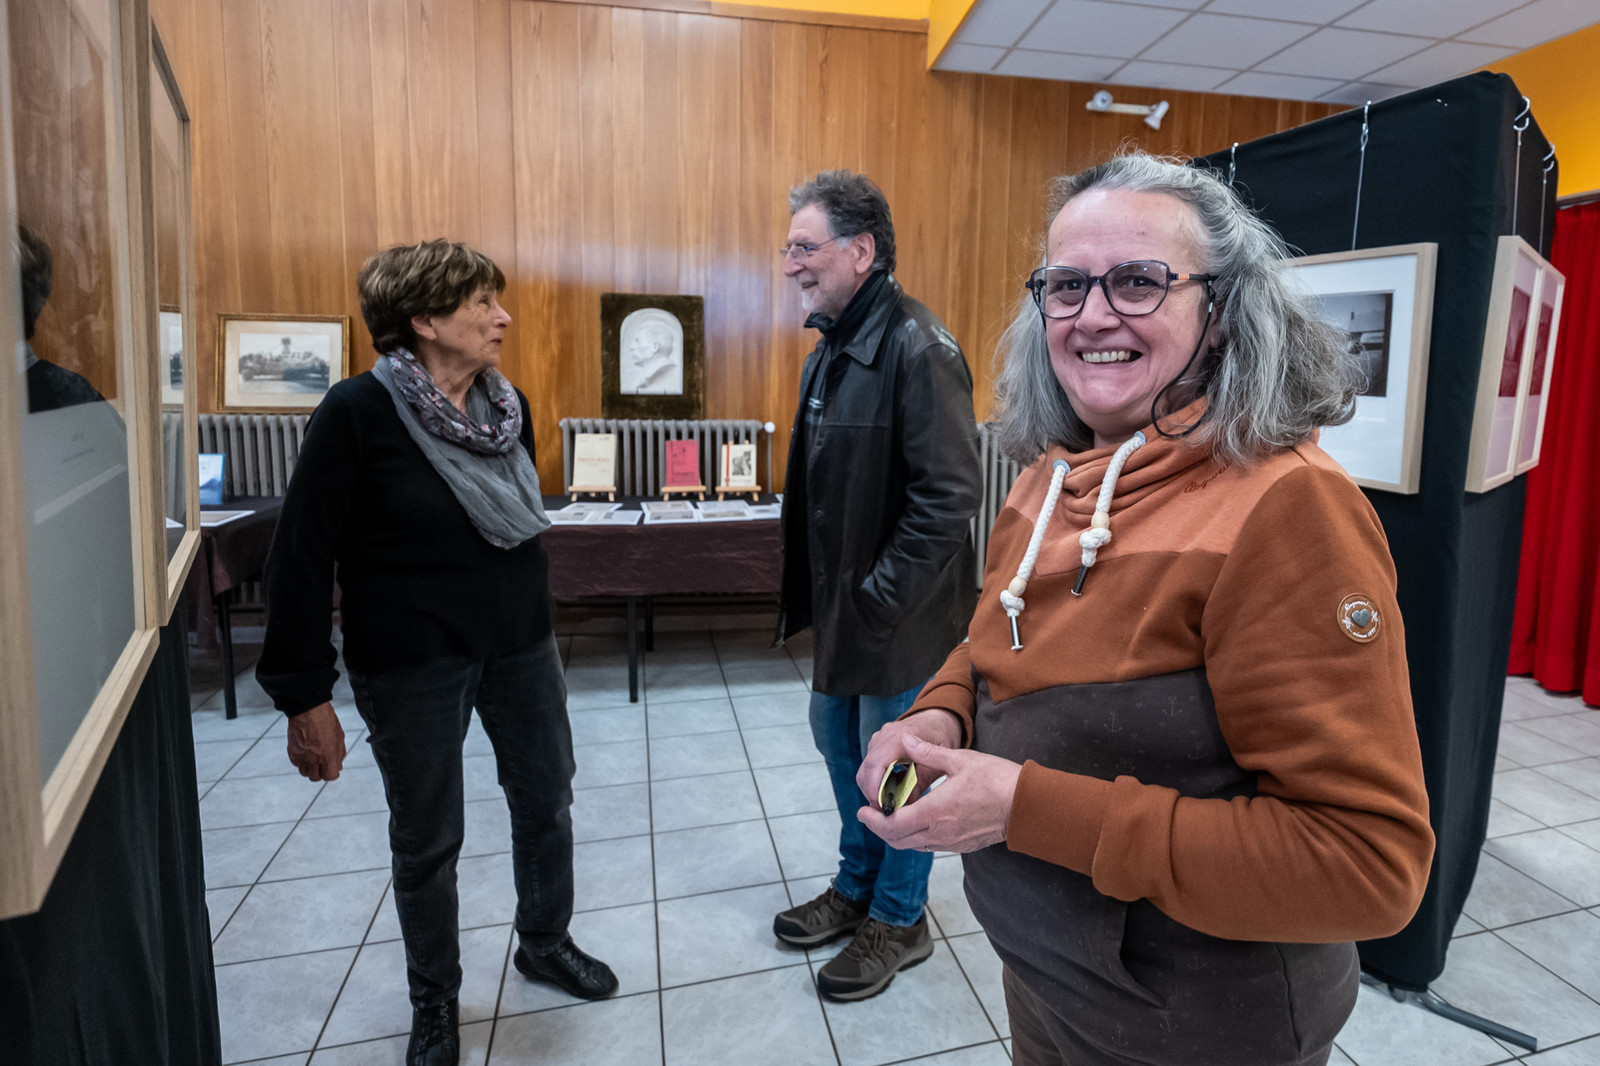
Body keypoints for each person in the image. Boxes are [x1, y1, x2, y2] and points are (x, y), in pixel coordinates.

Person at [856, 153, 1435, 1066]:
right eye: (1067, 285)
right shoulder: (1049, 479)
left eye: (1138, 281)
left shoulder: (1288, 509)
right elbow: (994, 639)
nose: (1092, 315)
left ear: (1221, 311)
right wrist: (941, 711)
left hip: (1197, 1029)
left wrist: (1024, 809)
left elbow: (1367, 866)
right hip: (1051, 987)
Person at [258, 240, 617, 1066]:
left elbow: (515, 531)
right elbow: (300, 558)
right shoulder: (356, 412)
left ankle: (544, 942)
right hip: (410, 661)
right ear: (423, 320)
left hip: (520, 645)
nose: (503, 317)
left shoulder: (506, 406)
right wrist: (304, 696)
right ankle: (435, 1001)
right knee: (429, 837)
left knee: (547, 801)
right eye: (481, 303)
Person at [771, 170, 982, 1000]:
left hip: (899, 619)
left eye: (804, 246)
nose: (790, 262)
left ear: (860, 251)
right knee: (838, 746)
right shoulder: (830, 350)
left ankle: (899, 917)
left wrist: (878, 599)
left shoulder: (919, 348)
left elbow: (949, 498)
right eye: (788, 247)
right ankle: (858, 887)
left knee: (896, 773)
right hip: (849, 616)